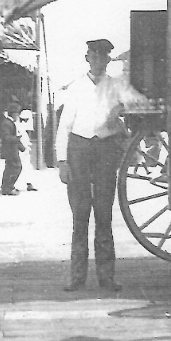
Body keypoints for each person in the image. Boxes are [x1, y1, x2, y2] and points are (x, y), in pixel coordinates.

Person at [56, 38, 149, 292]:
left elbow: (142, 102)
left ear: (108, 59)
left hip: (105, 150)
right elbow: (64, 127)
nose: (98, 61)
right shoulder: (76, 87)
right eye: (94, 56)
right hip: (78, 150)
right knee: (80, 214)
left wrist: (120, 107)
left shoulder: (117, 84)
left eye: (103, 56)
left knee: (104, 214)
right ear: (87, 58)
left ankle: (106, 277)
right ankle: (77, 277)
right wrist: (62, 161)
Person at [0, 100, 25, 196]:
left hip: (11, 150)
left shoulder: (9, 122)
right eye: (17, 113)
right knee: (16, 167)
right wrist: (17, 139)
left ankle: (6, 187)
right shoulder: (7, 123)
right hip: (10, 150)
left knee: (10, 168)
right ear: (14, 113)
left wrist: (21, 147)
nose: (18, 115)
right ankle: (9, 187)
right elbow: (7, 137)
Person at [17, 109, 38, 191]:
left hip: (24, 152)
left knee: (27, 167)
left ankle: (29, 183)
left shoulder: (23, 129)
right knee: (22, 167)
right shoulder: (19, 127)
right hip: (20, 151)